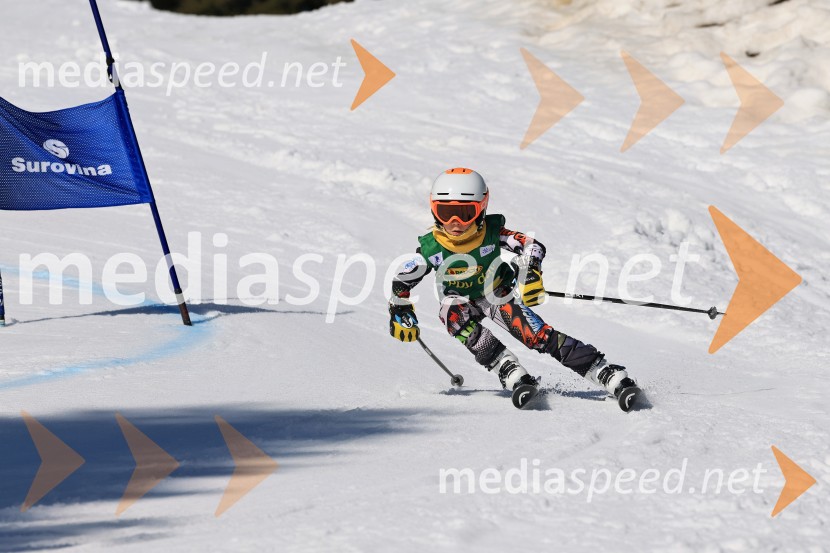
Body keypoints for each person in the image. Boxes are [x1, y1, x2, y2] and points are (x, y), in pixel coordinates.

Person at [388, 168, 639, 410]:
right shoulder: (432, 248)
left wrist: (530, 273)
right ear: (433, 210)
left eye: (465, 213)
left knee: (535, 334)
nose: (455, 223)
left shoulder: (491, 232)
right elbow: (404, 278)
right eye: (445, 213)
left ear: (482, 208)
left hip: (496, 292)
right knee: (451, 315)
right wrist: (399, 309)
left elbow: (532, 246)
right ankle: (506, 366)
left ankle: (602, 371)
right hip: (458, 299)